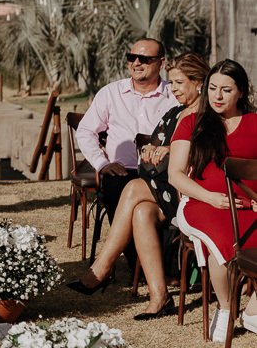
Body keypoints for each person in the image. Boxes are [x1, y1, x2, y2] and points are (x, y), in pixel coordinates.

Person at [67, 53, 210, 319]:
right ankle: (159, 296)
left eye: (179, 83)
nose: (174, 89)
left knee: (133, 188)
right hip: (169, 190)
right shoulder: (174, 113)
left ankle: (102, 268)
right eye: (172, 82)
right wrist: (150, 151)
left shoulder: (209, 115)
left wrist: (172, 151)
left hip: (197, 193)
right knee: (141, 211)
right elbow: (152, 144)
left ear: (199, 82)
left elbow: (207, 157)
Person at [170, 59, 257, 341]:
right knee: (222, 241)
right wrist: (210, 197)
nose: (217, 96)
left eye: (226, 90)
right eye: (213, 88)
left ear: (241, 92)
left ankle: (252, 312)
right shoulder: (192, 122)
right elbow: (175, 174)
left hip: (248, 204)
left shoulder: (255, 123)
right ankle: (225, 307)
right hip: (202, 203)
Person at [76, 38, 178, 267]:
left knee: (153, 205)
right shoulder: (110, 93)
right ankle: (138, 263)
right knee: (113, 188)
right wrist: (102, 164)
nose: (137, 63)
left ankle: (161, 262)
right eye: (132, 57)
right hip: (124, 171)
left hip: (165, 173)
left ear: (161, 63)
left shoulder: (175, 94)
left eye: (145, 59)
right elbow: (85, 132)